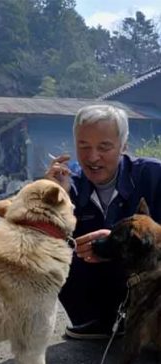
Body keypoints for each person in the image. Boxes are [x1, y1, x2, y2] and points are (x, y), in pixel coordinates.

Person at [46, 104, 161, 340]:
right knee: (52, 249)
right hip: (97, 297)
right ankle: (98, 322)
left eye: (104, 147)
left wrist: (117, 243)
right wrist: (53, 199)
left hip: (152, 287)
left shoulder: (154, 175)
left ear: (124, 145)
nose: (92, 157)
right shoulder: (68, 185)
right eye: (83, 146)